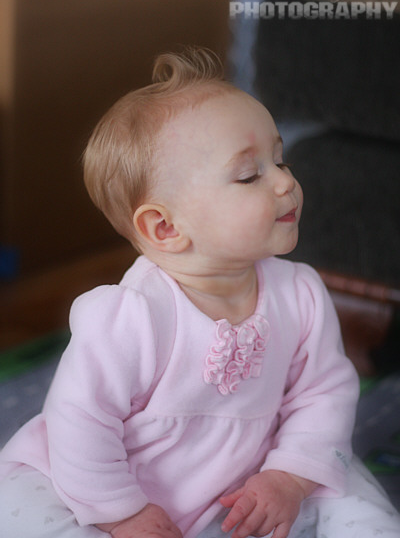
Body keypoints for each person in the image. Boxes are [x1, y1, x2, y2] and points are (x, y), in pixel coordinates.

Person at [0, 47, 399, 538]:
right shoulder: (132, 315)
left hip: (245, 476)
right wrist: (122, 514)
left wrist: (287, 477)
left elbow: (324, 392)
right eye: (251, 174)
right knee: (24, 511)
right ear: (166, 227)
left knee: (346, 487)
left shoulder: (302, 294)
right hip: (101, 484)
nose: (286, 183)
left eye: (281, 159)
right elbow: (79, 422)